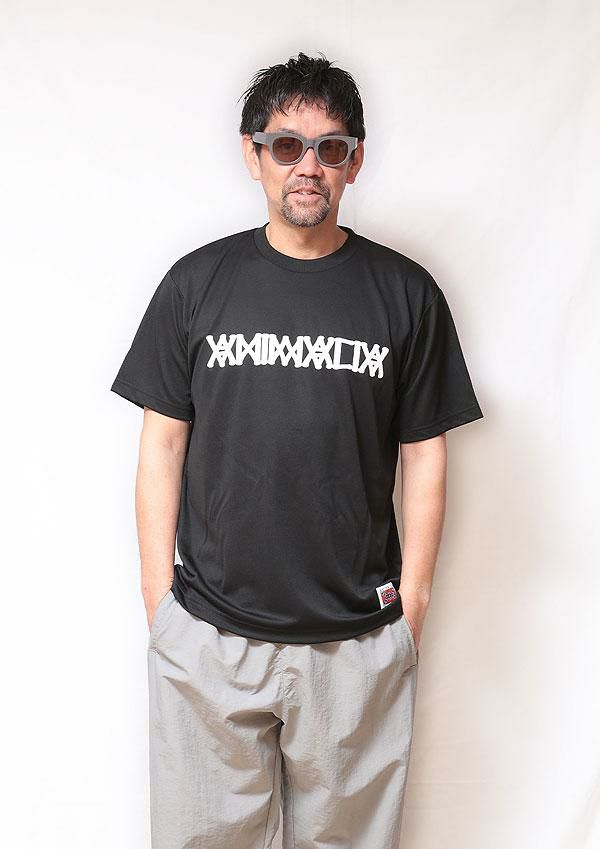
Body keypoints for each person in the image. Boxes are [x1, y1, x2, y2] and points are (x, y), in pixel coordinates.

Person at [110, 50, 484, 849]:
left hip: (355, 645)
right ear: (253, 155)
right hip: (210, 639)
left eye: (329, 147)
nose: (307, 166)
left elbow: (425, 454)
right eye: (286, 145)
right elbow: (162, 443)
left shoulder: (406, 294)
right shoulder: (195, 285)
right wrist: (159, 602)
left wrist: (413, 607)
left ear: (355, 161)